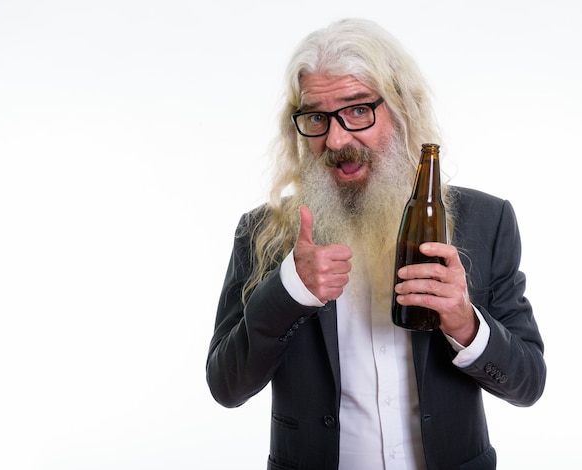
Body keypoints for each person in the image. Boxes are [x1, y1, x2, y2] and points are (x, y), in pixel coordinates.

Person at [206, 18, 546, 470]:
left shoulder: (487, 220)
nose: (337, 139)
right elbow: (227, 387)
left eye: (358, 109)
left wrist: (465, 323)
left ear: (402, 109)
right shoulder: (262, 232)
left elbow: (528, 384)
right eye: (316, 118)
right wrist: (289, 289)